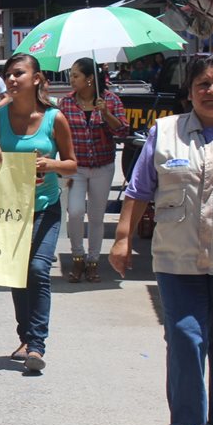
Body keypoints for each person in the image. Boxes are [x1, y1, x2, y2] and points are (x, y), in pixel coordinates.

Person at [110, 55, 213, 425]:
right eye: (203, 84)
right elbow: (138, 188)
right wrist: (122, 237)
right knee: (184, 337)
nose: (212, 91)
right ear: (190, 92)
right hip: (176, 257)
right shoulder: (165, 132)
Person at [0, 53, 77, 373]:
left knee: (37, 269)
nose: (11, 79)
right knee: (17, 275)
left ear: (36, 79)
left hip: (46, 207)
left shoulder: (54, 118)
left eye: (18, 73)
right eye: (8, 74)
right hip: (10, 211)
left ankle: (36, 345)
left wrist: (51, 164)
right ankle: (25, 336)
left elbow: (72, 164)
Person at [58, 57, 128, 282]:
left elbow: (123, 131)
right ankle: (77, 257)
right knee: (76, 212)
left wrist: (106, 114)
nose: (72, 79)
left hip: (103, 166)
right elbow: (58, 132)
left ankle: (93, 261)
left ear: (90, 79)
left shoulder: (110, 100)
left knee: (96, 217)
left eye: (76, 75)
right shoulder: (66, 103)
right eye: (71, 75)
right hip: (76, 167)